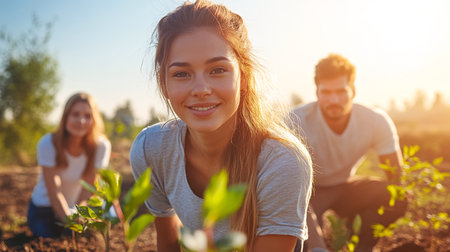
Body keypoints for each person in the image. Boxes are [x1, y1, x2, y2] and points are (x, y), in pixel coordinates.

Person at [130, 1, 312, 251]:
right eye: (182, 74)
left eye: (217, 70)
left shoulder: (283, 161)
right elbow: (168, 241)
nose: (201, 90)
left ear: (245, 78)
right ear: (164, 85)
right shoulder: (151, 149)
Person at [290, 54, 407, 252]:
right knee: (297, 236)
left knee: (397, 197)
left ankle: (360, 245)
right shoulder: (295, 121)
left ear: (353, 91)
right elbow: (289, 186)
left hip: (346, 187)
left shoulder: (375, 121)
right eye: (326, 92)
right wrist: (317, 246)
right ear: (316, 92)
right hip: (308, 193)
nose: (333, 99)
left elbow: (395, 176)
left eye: (341, 91)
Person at [27, 92, 111, 238]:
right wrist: (70, 223)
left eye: (87, 116)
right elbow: (54, 191)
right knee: (52, 239)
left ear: (94, 120)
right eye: (75, 114)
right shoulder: (48, 143)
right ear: (65, 117)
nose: (81, 121)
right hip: (44, 210)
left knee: (109, 215)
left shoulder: (101, 146)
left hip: (74, 207)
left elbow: (88, 188)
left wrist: (77, 214)